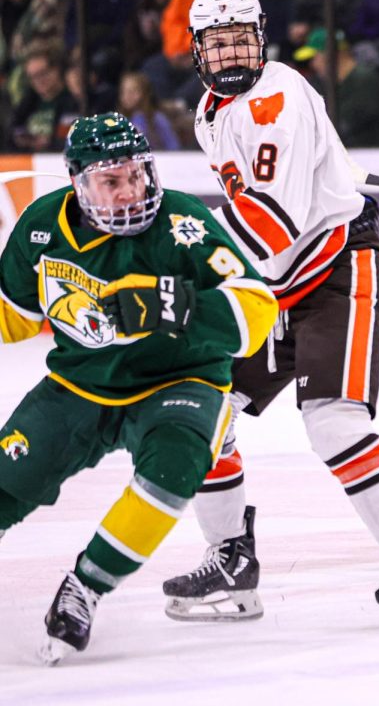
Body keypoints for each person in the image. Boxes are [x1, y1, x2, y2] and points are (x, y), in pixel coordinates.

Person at [162, 0, 379, 626]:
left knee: (332, 420)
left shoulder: (276, 99)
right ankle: (231, 559)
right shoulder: (211, 110)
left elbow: (273, 223)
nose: (232, 52)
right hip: (276, 285)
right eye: (218, 42)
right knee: (201, 408)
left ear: (259, 39)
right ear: (198, 49)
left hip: (338, 270)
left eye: (241, 39)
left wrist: (178, 260)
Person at [0, 113, 277, 663]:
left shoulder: (183, 221)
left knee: (173, 470)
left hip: (180, 381)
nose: (131, 191)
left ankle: (87, 586)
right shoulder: (40, 228)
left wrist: (163, 304)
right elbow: (13, 317)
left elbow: (257, 308)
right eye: (112, 180)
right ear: (78, 183)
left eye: (137, 175)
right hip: (80, 384)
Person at [294, 27, 379, 148]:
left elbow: (343, 125)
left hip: (378, 156)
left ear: (330, 55)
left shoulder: (364, 80)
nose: (313, 64)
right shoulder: (334, 85)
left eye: (315, 57)